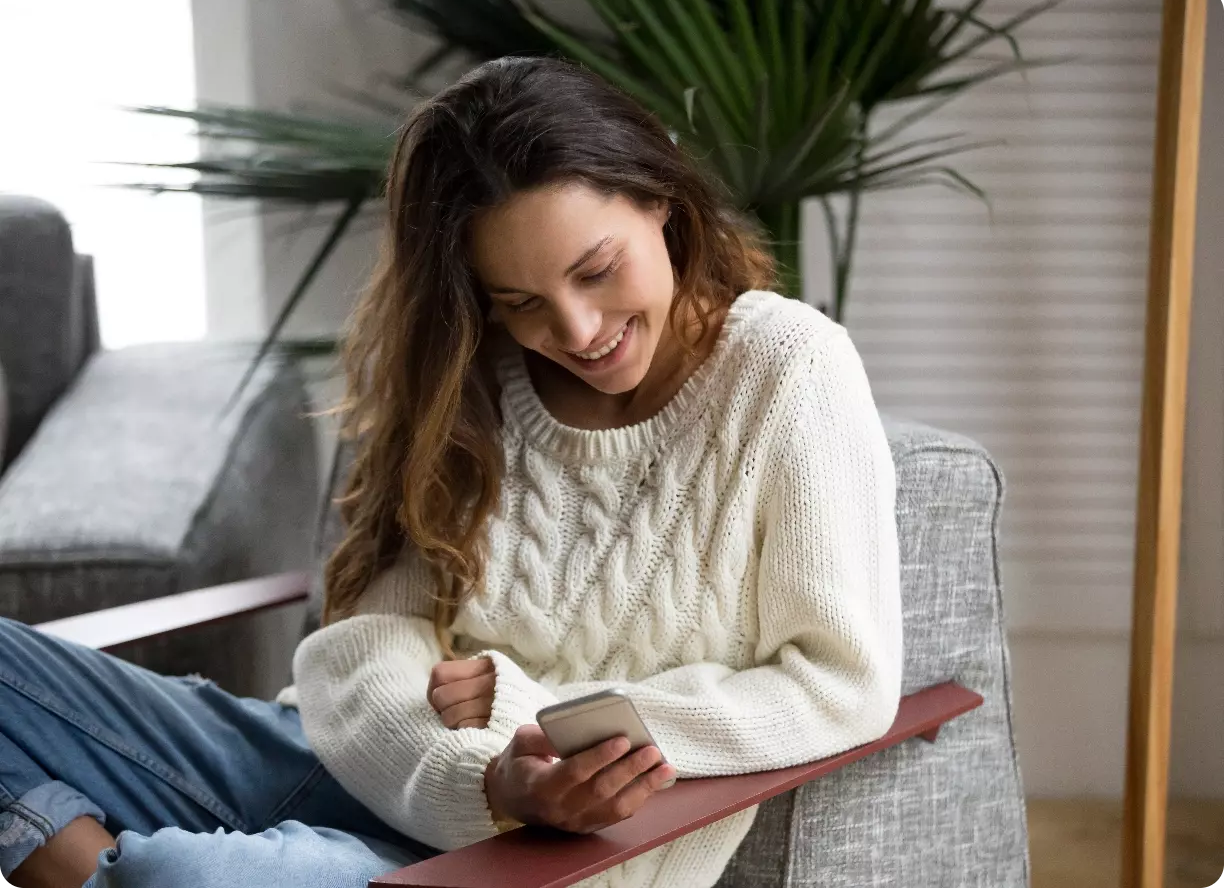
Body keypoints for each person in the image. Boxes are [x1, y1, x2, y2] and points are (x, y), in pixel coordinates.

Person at [0, 56, 902, 888]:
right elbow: (366, 642)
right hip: (345, 760)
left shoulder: (787, 370)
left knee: (181, 879)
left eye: (596, 270)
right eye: (521, 301)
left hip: (534, 860)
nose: (577, 331)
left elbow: (839, 683)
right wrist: (480, 778)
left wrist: (542, 723)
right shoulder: (474, 378)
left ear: (659, 198)